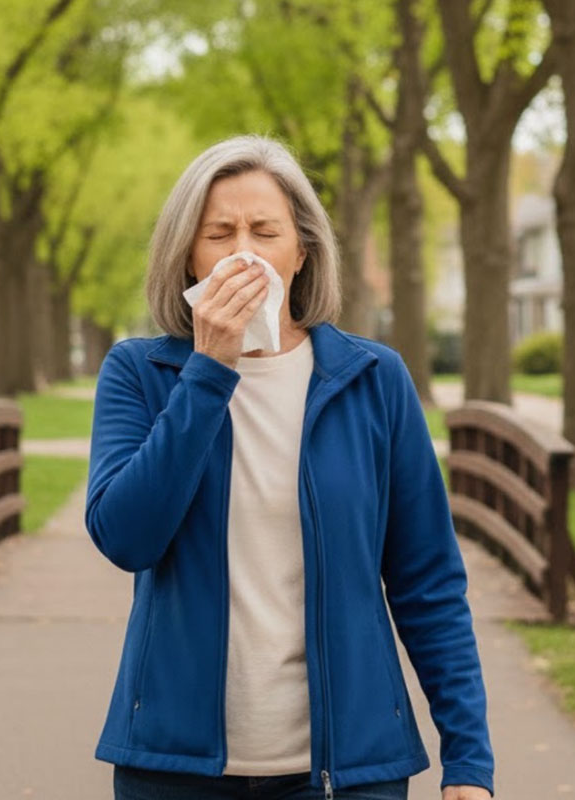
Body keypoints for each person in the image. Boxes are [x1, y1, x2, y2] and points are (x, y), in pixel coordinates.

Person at [84, 134, 495, 800]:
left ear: (301, 253)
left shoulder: (373, 379)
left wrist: (470, 763)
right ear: (188, 254)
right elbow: (128, 537)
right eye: (219, 233)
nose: (242, 251)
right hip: (175, 769)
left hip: (347, 771)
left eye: (264, 231)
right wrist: (209, 370)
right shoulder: (142, 373)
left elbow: (428, 582)